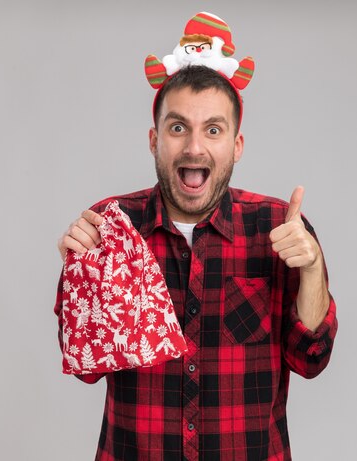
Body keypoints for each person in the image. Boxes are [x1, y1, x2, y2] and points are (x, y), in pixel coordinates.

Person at [54, 14, 337, 461]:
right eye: (178, 127)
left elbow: (312, 359)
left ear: (236, 146)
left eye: (213, 129)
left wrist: (313, 268)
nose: (193, 148)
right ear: (154, 140)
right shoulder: (113, 226)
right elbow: (86, 368)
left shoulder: (278, 226)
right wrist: (81, 282)